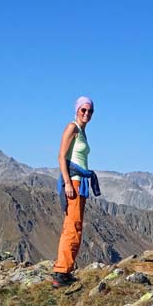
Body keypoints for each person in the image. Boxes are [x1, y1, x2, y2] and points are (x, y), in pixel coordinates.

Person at [52, 96, 100, 288]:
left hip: (80, 183)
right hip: (74, 182)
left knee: (75, 225)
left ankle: (66, 269)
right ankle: (61, 272)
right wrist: (68, 183)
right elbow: (61, 156)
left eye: (90, 111)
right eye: (83, 110)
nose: (86, 113)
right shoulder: (71, 128)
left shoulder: (82, 131)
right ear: (77, 110)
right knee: (72, 226)